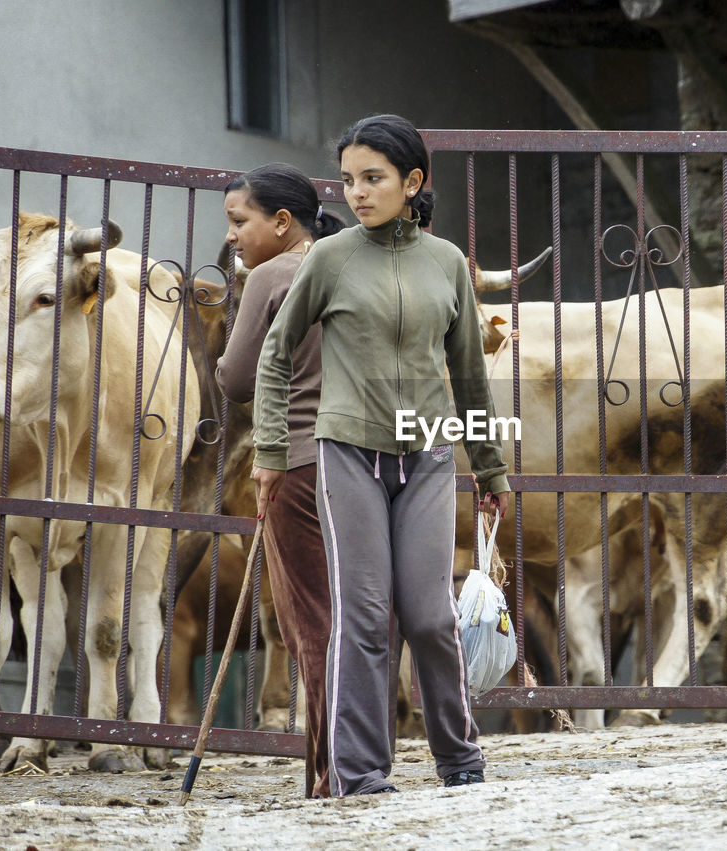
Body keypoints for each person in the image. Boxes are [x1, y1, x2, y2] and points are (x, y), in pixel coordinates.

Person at [251, 114, 511, 796]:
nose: (357, 193)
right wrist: (272, 451)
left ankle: (460, 757)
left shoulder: (448, 263)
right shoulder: (330, 260)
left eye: (374, 178)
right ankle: (361, 773)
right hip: (348, 458)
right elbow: (276, 354)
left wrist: (489, 465)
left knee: (429, 615)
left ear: (413, 181)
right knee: (364, 618)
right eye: (349, 180)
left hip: (426, 457)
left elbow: (470, 376)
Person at [215, 162, 345, 798]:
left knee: (311, 619)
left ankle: (329, 768)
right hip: (373, 460)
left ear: (283, 222)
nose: (233, 238)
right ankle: (369, 757)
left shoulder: (273, 275)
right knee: (365, 611)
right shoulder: (357, 262)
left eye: (240, 222)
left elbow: (237, 382)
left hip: (297, 462)